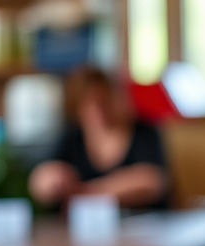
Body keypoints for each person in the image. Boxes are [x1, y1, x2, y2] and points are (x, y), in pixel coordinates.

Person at [29, 66, 170, 209]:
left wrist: (87, 192)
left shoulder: (144, 131)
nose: (96, 110)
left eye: (102, 101)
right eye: (88, 104)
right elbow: (40, 182)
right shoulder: (72, 138)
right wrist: (51, 179)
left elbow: (153, 181)